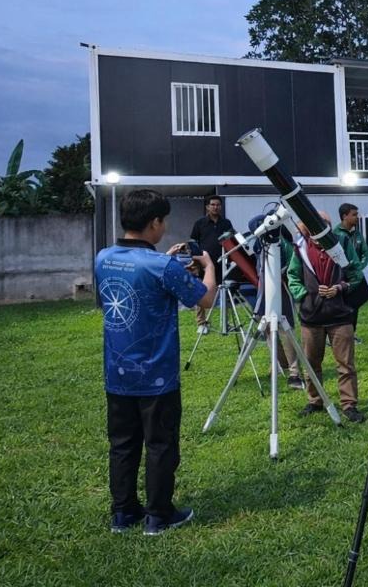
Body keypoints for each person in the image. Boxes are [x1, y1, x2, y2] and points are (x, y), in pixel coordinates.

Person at [96, 188, 216, 535]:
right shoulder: (163, 266)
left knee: (122, 445)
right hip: (157, 377)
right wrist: (207, 268)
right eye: (163, 221)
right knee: (161, 446)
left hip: (117, 374)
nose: (165, 227)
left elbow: (138, 272)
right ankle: (159, 515)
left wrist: (164, 258)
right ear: (154, 222)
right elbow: (206, 299)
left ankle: (123, 513)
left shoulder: (103, 257)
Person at [287, 215, 366, 423]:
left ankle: (349, 405)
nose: (320, 229)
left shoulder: (341, 245)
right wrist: (305, 294)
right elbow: (293, 276)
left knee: (345, 363)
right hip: (311, 315)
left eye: (324, 225)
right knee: (312, 362)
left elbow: (356, 274)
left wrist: (340, 287)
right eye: (315, 225)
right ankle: (315, 401)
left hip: (340, 314)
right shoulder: (300, 249)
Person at [247, 212, 303, 390]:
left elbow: (292, 265)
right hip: (265, 290)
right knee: (269, 330)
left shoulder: (283, 243)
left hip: (281, 289)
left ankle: (294, 372)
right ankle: (277, 364)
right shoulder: (260, 243)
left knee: (286, 331)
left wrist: (281, 275)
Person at [190, 195, 235, 334]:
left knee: (224, 292)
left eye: (218, 205)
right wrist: (196, 260)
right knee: (201, 291)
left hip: (222, 261)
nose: (215, 207)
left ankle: (225, 322)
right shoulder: (200, 223)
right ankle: (202, 323)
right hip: (204, 264)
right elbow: (193, 242)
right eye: (213, 205)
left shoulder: (226, 223)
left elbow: (232, 240)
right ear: (207, 207)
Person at [333, 202, 368, 337]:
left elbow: (365, 253)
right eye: (354, 215)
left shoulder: (357, 234)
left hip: (355, 276)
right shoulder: (335, 234)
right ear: (344, 216)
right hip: (341, 277)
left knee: (355, 303)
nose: (357, 217)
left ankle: (352, 333)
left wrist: (359, 268)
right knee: (341, 305)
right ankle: (335, 334)